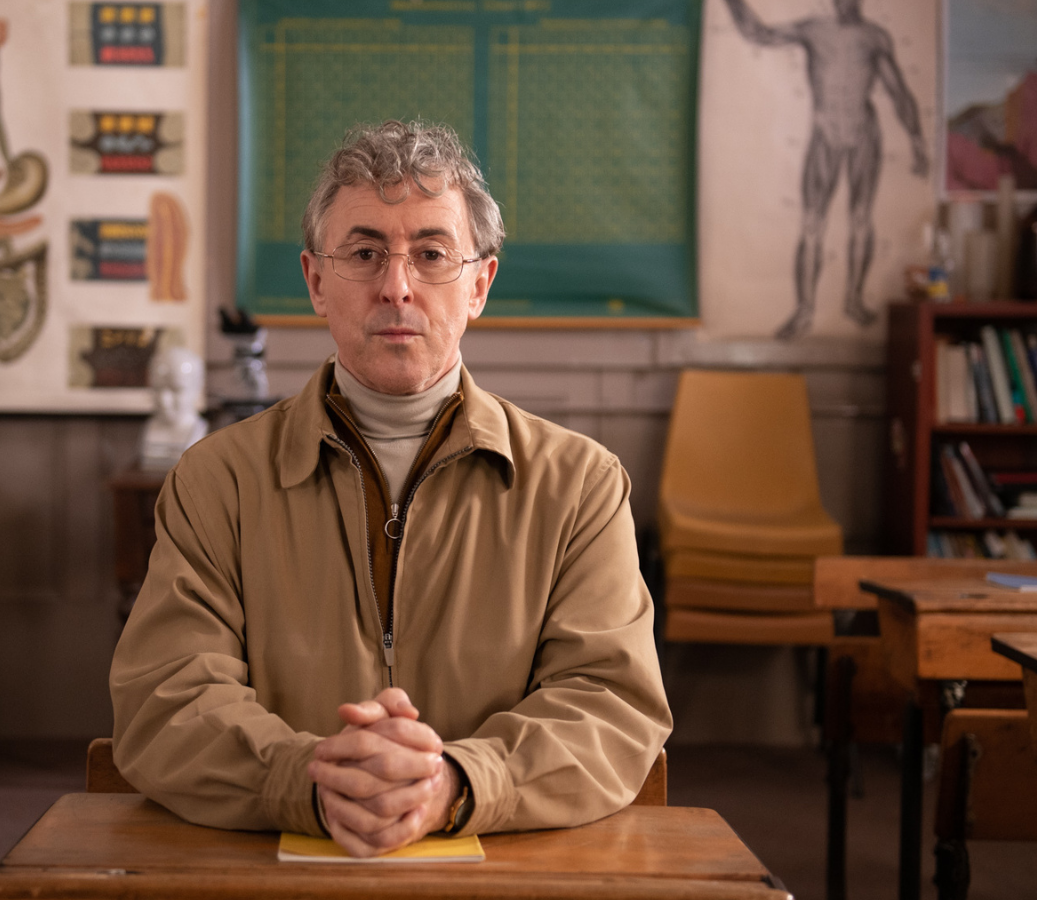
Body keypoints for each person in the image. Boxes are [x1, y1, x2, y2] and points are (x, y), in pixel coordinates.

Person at [109, 120, 672, 858]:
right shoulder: (216, 482)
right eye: (366, 252)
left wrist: (457, 783)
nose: (396, 286)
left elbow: (611, 708)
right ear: (315, 280)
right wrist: (306, 779)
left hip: (507, 873)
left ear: (479, 285)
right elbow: (165, 702)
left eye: (432, 254)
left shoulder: (579, 487)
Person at [723, 0, 929, 340]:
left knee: (861, 219)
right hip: (825, 133)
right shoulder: (813, 30)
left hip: (864, 131)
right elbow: (758, 33)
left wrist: (917, 139)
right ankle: (805, 310)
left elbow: (899, 92)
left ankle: (853, 300)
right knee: (812, 223)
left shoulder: (875, 38)